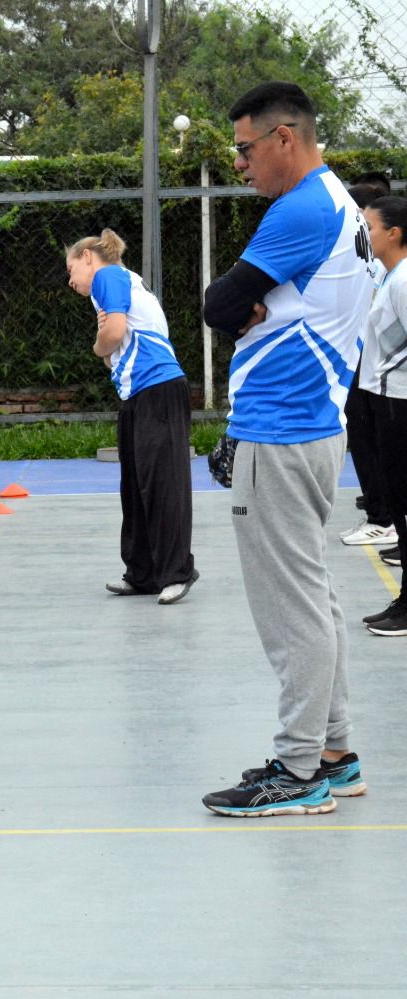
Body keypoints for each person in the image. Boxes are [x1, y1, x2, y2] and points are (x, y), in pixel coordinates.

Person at [199, 82, 371, 816]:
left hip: (284, 426)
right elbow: (234, 305)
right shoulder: (335, 202)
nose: (240, 164)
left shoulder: (300, 208)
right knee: (314, 598)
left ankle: (298, 770)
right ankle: (333, 755)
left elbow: (216, 304)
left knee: (291, 607)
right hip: (310, 424)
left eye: (243, 149)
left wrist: (242, 308)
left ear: (284, 139)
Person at [65, 228, 199, 605]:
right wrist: (105, 341)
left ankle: (177, 571)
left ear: (89, 257)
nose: (70, 280)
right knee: (136, 486)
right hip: (137, 395)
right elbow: (114, 352)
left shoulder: (108, 277)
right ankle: (141, 573)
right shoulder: (119, 287)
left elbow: (111, 338)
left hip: (159, 389)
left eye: (71, 268)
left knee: (162, 485)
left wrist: (98, 342)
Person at [353, 195, 407, 635]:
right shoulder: (392, 277)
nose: (365, 236)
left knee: (404, 506)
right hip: (385, 401)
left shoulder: (405, 279)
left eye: (369, 228)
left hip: (399, 405)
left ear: (394, 233)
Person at [339, 179, 398, 551]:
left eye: (367, 223)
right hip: (368, 366)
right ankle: (382, 514)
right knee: (366, 441)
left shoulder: (398, 275)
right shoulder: (375, 265)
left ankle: (384, 518)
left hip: (383, 376)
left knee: (379, 445)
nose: (362, 230)